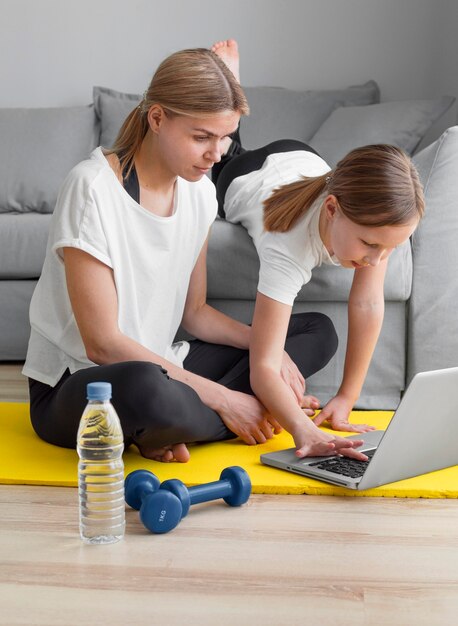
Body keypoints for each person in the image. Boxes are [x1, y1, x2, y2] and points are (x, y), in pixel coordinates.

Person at [23, 40, 364, 464]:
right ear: (157, 118)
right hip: (79, 383)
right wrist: (224, 398)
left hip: (164, 364)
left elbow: (195, 314)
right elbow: (103, 345)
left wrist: (271, 352)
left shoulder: (201, 192)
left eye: (224, 138)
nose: (216, 154)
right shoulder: (91, 188)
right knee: (147, 391)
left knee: (314, 332)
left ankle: (172, 427)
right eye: (201, 137)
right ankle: (234, 413)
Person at [212, 43, 425, 460]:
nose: (376, 260)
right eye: (370, 245)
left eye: (388, 249)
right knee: (225, 152)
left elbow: (366, 302)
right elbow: (263, 368)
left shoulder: (373, 225)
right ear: (332, 209)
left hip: (302, 158)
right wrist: (304, 430)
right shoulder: (287, 243)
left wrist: (348, 396)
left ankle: (232, 93)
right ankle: (229, 89)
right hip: (247, 178)